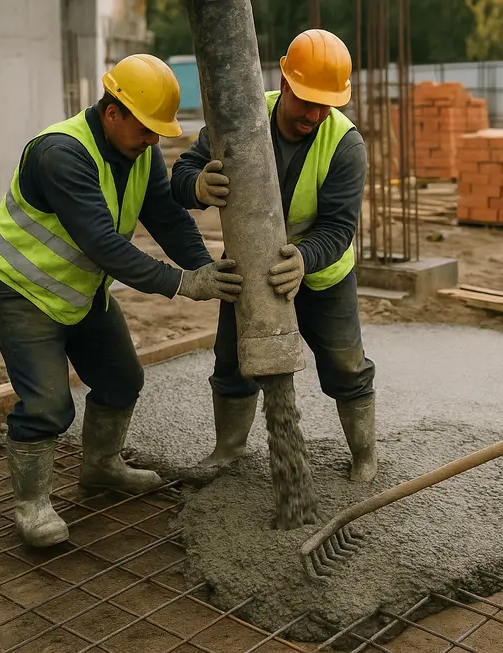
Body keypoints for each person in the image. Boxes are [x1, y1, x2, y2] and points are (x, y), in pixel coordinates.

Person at [0, 53, 244, 548]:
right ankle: (32, 506)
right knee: (46, 404)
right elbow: (105, 245)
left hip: (81, 288)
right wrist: (183, 284)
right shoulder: (61, 154)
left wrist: (203, 267)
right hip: (24, 289)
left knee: (122, 378)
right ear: (112, 112)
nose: (154, 141)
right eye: (146, 129)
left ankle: (100, 466)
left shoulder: (138, 153)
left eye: (157, 132)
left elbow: (166, 216)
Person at [170, 29, 376, 482]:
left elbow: (339, 228)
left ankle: (364, 454)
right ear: (284, 84)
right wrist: (198, 186)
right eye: (307, 101)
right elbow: (181, 173)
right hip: (247, 270)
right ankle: (228, 449)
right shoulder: (241, 118)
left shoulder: (344, 144)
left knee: (345, 364)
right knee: (232, 360)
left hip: (321, 275)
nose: (316, 113)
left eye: (327, 104)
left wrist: (304, 258)